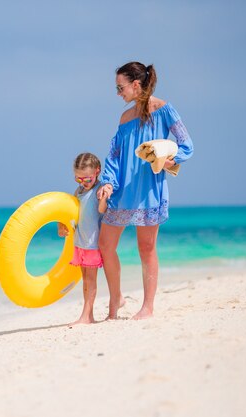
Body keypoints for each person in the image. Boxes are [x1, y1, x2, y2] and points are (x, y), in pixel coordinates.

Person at [97, 62, 194, 320]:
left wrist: (172, 160)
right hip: (120, 191)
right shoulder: (125, 118)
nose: (118, 93)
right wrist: (107, 181)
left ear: (136, 85)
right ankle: (116, 300)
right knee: (105, 245)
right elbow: (114, 156)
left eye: (120, 87)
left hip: (149, 189)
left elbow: (186, 144)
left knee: (146, 248)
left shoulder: (164, 110)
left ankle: (147, 307)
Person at [58, 153, 121, 325]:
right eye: (78, 179)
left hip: (92, 243)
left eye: (87, 179)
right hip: (80, 242)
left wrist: (104, 197)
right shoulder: (79, 191)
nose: (83, 183)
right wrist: (61, 225)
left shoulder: (99, 189)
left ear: (97, 172)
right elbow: (72, 213)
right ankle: (89, 315)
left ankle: (86, 315)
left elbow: (101, 210)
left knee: (90, 280)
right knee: (85, 279)